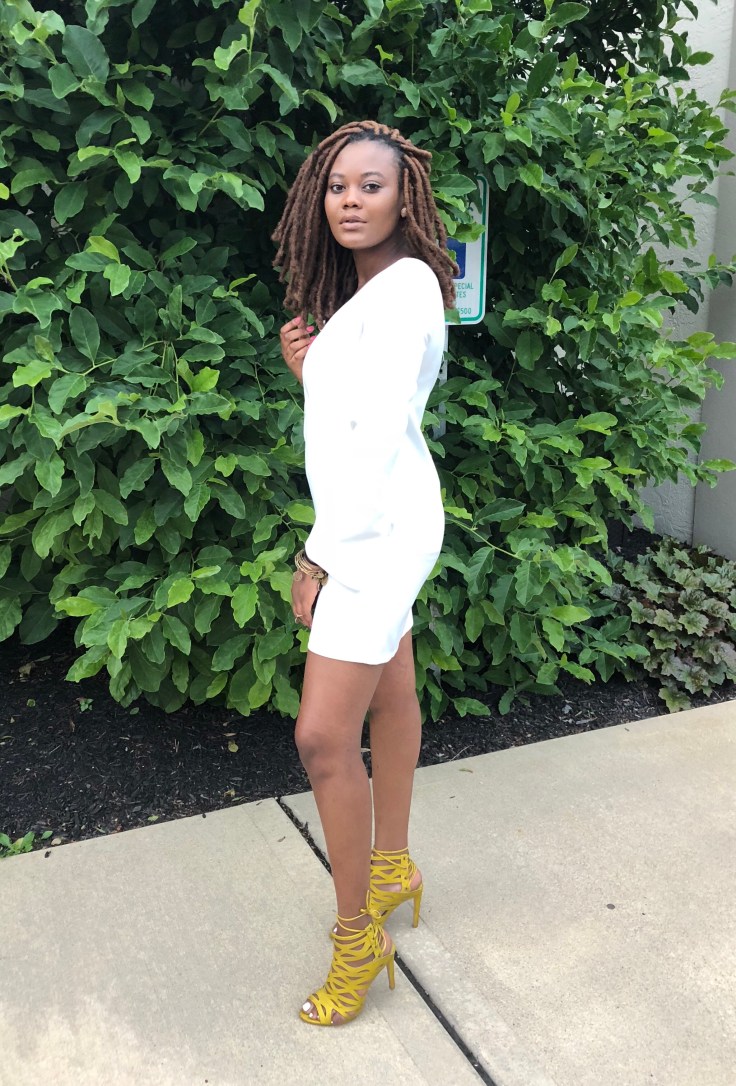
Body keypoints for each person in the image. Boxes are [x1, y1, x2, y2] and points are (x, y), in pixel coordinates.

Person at [272, 119, 457, 1027]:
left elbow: (373, 440)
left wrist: (319, 554)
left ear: (404, 198)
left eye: (370, 186)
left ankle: (359, 940)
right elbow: (357, 415)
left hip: (370, 535)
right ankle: (391, 868)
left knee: (320, 739)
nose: (350, 200)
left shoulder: (404, 288)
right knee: (393, 692)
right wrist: (312, 373)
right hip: (388, 520)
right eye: (338, 186)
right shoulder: (379, 289)